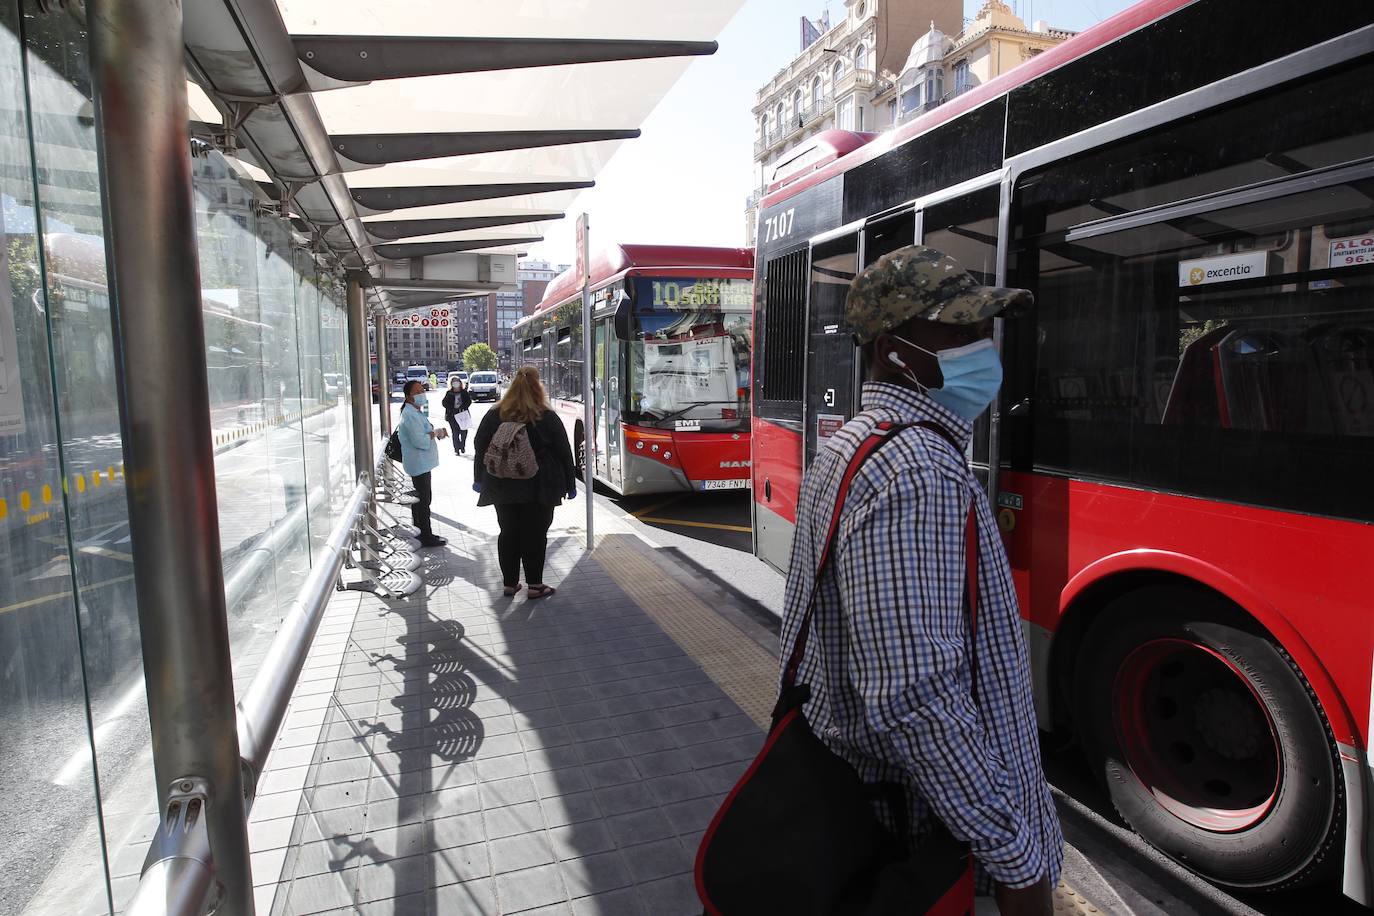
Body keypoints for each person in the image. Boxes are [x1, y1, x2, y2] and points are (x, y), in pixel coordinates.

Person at [778, 245, 1061, 916]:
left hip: (869, 821)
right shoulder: (917, 472)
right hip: (915, 849)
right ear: (892, 351)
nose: (980, 348)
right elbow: (915, 699)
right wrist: (1017, 858)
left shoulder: (856, 444)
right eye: (957, 331)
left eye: (981, 329)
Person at [472, 366, 576, 599]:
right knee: (535, 534)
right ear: (539, 386)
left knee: (508, 532)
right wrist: (570, 484)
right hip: (539, 485)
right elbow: (563, 451)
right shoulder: (545, 415)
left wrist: (479, 479)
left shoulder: (495, 414)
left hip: (500, 483)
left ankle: (510, 584)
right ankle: (535, 586)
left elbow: (480, 445)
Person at [397, 379, 447, 548]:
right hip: (418, 464)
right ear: (408, 397)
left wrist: (434, 432)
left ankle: (420, 532)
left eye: (422, 390)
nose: (421, 394)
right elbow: (419, 440)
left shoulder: (415, 411)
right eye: (417, 392)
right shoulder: (409, 414)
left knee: (421, 500)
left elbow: (424, 429)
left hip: (421, 463)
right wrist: (435, 433)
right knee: (423, 501)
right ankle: (425, 536)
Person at [442, 376, 473, 455]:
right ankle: (456, 449)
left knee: (464, 432)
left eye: (457, 381)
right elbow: (444, 403)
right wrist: (452, 409)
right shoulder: (449, 393)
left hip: (463, 415)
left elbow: (468, 401)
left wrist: (463, 407)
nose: (456, 383)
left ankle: (462, 445)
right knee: (455, 432)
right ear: (451, 384)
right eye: (454, 382)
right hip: (452, 415)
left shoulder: (464, 392)